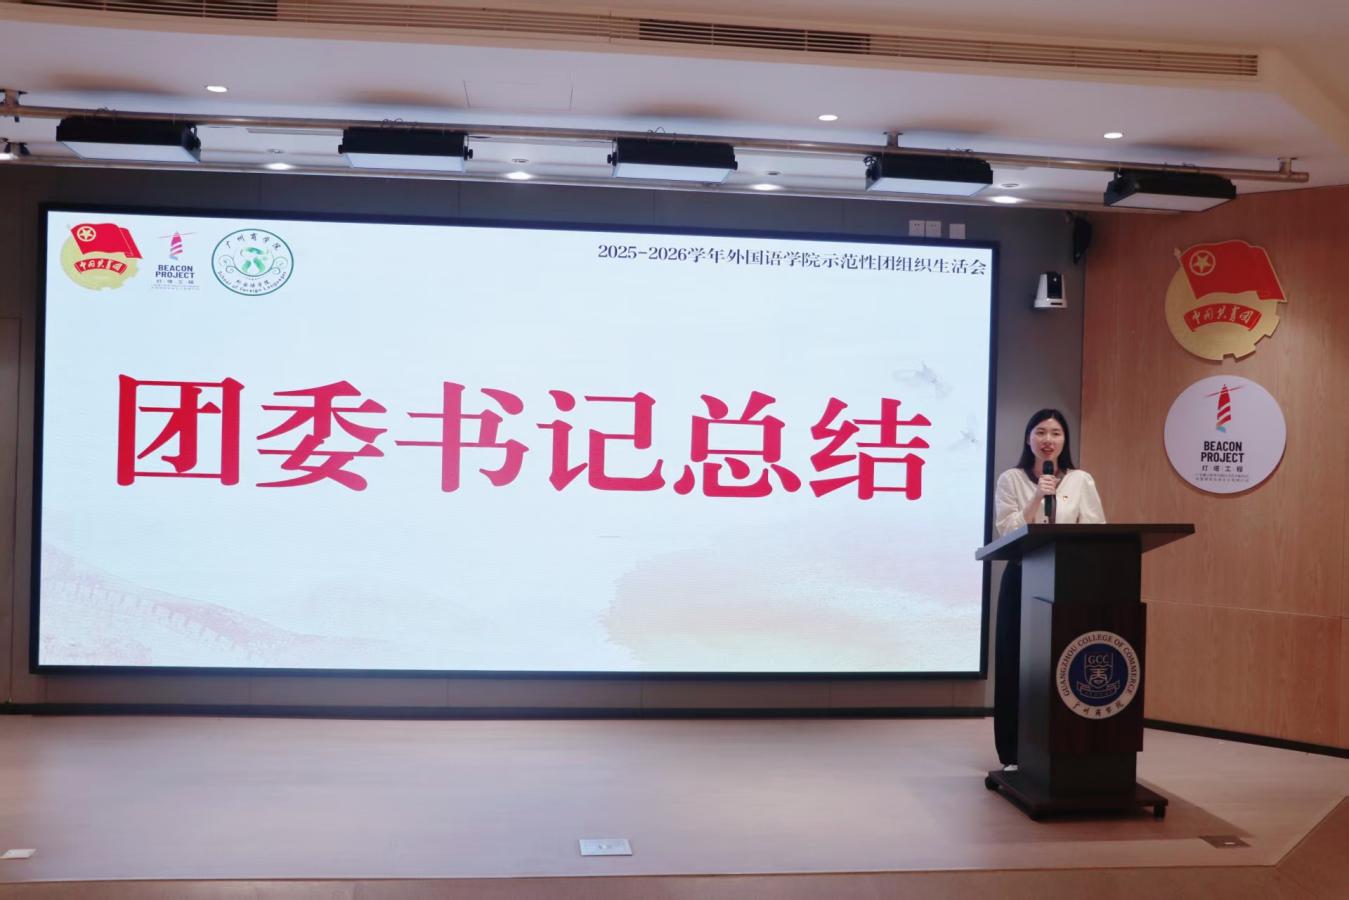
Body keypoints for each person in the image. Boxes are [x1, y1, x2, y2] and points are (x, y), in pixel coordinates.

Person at [991, 409, 1106, 767]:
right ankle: (1013, 753)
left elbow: (1096, 530)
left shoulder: (1081, 480)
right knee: (1016, 664)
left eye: (1056, 433)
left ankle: (1066, 748)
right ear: (1028, 439)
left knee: (1064, 664)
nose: (1048, 440)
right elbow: (1006, 533)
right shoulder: (1011, 479)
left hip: (1069, 581)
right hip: (1023, 576)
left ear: (1064, 441)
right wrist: (1036, 498)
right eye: (1040, 432)